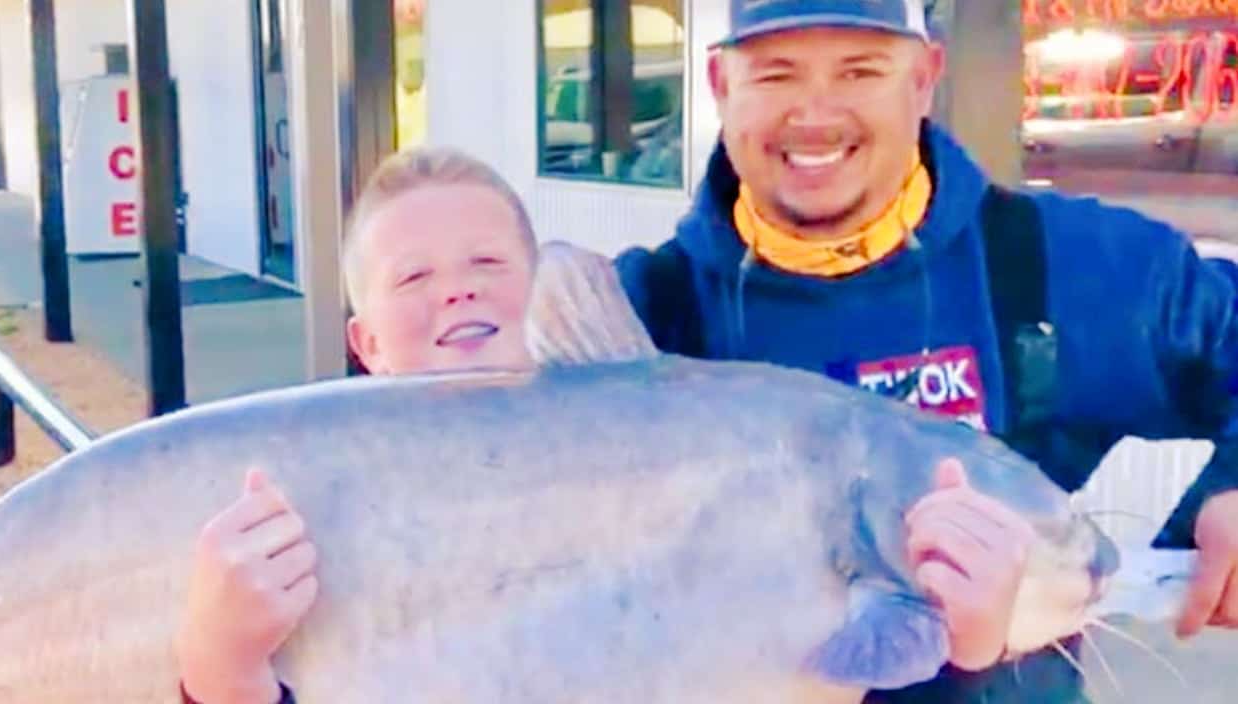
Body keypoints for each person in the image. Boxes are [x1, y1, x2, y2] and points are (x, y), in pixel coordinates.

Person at [613, 1, 1238, 701]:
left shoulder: (1056, 265)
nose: (815, 112)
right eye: (776, 74)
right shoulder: (639, 316)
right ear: (721, 85)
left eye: (860, 70)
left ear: (925, 76)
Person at [175, 148, 540, 704]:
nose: (458, 289)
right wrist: (221, 669)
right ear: (367, 344)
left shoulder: (632, 453)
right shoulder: (306, 496)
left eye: (487, 262)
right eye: (415, 275)